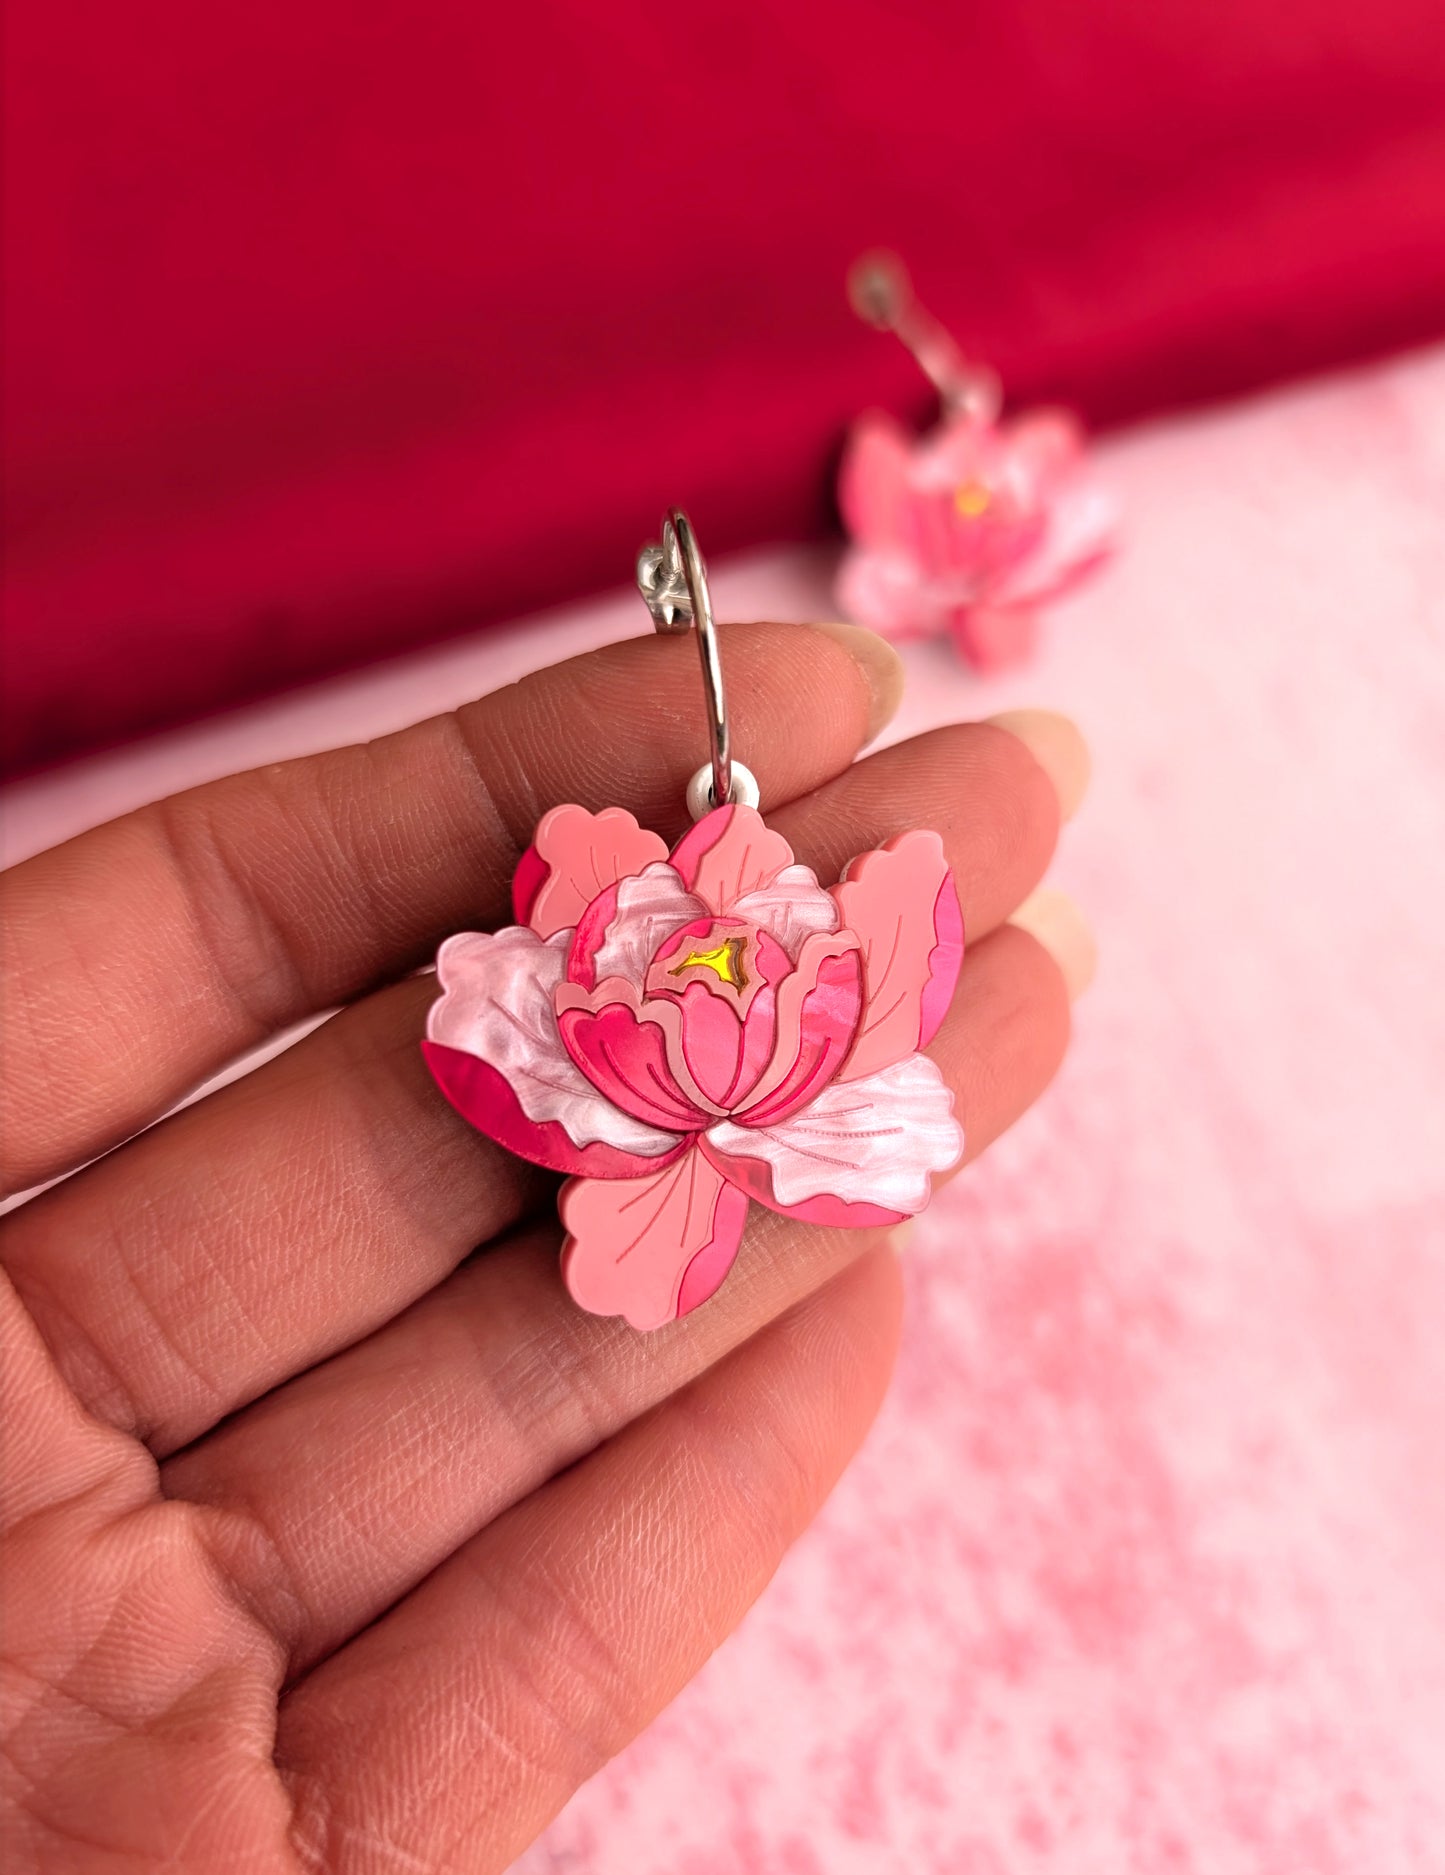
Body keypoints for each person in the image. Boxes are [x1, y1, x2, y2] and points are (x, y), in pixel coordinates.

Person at [0, 619, 1092, 1872]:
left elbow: (886, 936)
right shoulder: (565, 988)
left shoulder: (853, 1087)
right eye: (691, 972)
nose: (720, 972)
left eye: (744, 975)